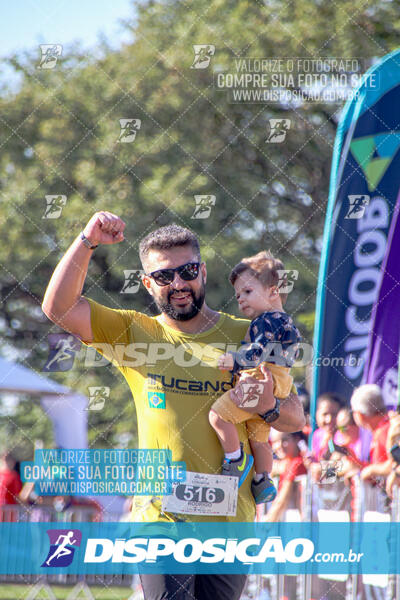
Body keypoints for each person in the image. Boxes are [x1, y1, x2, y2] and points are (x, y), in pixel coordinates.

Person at [42, 211, 305, 600]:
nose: (178, 283)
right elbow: (59, 308)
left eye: (187, 271)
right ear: (148, 283)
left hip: (229, 525)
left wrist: (267, 407)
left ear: (202, 271)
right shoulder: (135, 333)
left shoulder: (248, 332)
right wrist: (87, 240)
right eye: (164, 276)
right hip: (161, 522)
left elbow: (295, 418)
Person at [209, 251, 301, 504]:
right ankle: (262, 479)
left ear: (273, 291)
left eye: (247, 292)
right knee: (258, 438)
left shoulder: (267, 320)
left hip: (258, 378)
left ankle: (235, 459)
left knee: (218, 416)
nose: (241, 299)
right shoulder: (285, 321)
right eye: (238, 295)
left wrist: (235, 361)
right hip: (278, 383)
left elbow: (258, 351)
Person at [350, 384, 392, 483]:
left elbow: (395, 464)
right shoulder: (382, 428)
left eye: (353, 411)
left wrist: (370, 471)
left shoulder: (386, 430)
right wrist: (358, 466)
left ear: (360, 414)